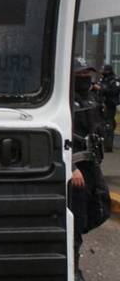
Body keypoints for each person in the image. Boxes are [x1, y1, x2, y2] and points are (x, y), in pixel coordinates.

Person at [70, 57, 110, 281]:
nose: (86, 78)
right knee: (75, 220)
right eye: (81, 75)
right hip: (77, 171)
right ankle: (73, 267)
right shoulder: (66, 103)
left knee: (101, 207)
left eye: (88, 74)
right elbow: (62, 137)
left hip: (93, 166)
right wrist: (73, 167)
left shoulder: (92, 99)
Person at [98, 64, 120, 152]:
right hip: (101, 104)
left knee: (108, 124)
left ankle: (108, 146)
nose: (102, 72)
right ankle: (103, 143)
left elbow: (114, 91)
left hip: (110, 105)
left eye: (104, 71)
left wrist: (101, 89)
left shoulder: (114, 80)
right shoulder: (103, 79)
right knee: (105, 123)